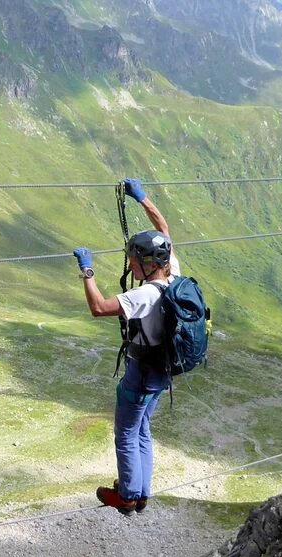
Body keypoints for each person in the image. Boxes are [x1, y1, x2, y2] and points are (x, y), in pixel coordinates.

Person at [72, 178, 181, 515]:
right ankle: (142, 491)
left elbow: (99, 308)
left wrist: (86, 270)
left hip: (142, 372)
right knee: (142, 427)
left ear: (149, 264)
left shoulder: (145, 295)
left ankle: (129, 496)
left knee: (125, 433)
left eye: (135, 261)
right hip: (162, 372)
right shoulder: (172, 273)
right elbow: (162, 228)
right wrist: (143, 199)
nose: (131, 265)